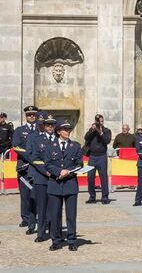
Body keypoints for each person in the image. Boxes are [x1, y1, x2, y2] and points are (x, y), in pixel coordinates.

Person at [44, 120, 83, 251]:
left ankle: (72, 240)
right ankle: (56, 240)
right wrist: (58, 172)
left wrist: (67, 172)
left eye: (69, 129)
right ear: (59, 131)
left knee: (71, 215)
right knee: (55, 215)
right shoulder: (50, 146)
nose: (68, 132)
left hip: (70, 184)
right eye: (65, 129)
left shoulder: (75, 146)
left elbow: (79, 164)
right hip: (54, 184)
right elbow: (48, 164)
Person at [26, 112, 57, 241]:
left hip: (55, 178)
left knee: (54, 207)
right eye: (48, 125)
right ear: (43, 126)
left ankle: (54, 230)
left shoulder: (58, 140)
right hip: (41, 177)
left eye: (52, 125)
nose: (50, 127)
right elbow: (34, 159)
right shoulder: (37, 140)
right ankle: (40, 233)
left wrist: (55, 172)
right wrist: (46, 171)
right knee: (42, 207)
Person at [12, 105, 38, 229]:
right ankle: (26, 218)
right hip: (24, 167)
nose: (31, 116)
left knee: (39, 193)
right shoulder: (19, 130)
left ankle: (38, 217)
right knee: (25, 193)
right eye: (29, 114)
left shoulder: (41, 129)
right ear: (26, 116)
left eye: (33, 114)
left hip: (39, 168)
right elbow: (15, 146)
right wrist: (30, 157)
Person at [84, 114, 112, 204]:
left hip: (102, 156)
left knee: (103, 177)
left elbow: (107, 141)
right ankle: (92, 196)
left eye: (101, 121)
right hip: (92, 156)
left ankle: (105, 197)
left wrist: (100, 133)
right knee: (90, 177)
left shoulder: (106, 130)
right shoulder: (92, 130)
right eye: (98, 121)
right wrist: (92, 130)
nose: (100, 123)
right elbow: (86, 138)